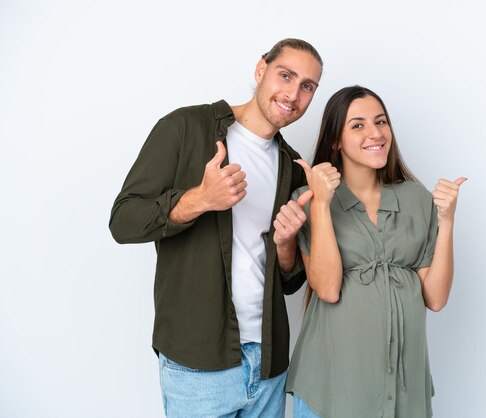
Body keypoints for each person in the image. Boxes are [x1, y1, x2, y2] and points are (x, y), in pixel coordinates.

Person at [109, 38, 323, 417]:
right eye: (285, 75)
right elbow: (123, 220)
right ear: (261, 70)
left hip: (270, 364)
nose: (293, 94)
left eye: (307, 86)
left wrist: (286, 244)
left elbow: (289, 280)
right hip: (198, 366)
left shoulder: (292, 165)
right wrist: (200, 200)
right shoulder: (187, 127)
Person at [285, 85, 466, 418]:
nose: (375, 133)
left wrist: (448, 222)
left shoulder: (416, 198)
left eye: (381, 122)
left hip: (401, 389)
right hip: (331, 387)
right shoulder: (308, 199)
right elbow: (326, 288)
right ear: (335, 140)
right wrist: (322, 204)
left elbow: (436, 298)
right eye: (358, 125)